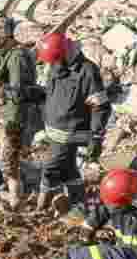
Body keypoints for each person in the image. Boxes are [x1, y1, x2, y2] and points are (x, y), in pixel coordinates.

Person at [35, 31, 111, 217]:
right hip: (55, 133)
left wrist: (96, 136)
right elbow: (52, 94)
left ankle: (41, 208)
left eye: (55, 59)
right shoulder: (56, 66)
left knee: (50, 168)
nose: (53, 64)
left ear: (65, 52)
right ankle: (80, 206)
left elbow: (100, 107)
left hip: (71, 133)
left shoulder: (87, 71)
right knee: (69, 171)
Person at [0, 12, 44, 209]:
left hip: (15, 117)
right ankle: (14, 194)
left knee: (9, 162)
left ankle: (15, 202)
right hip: (9, 115)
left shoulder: (16, 57)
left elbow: (18, 91)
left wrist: (0, 93)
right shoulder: (9, 55)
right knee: (6, 158)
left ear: (2, 35)